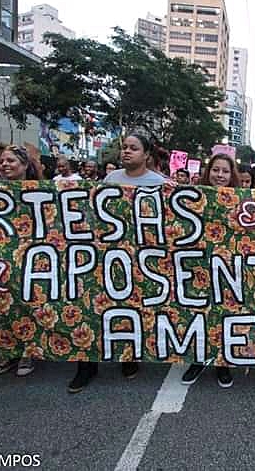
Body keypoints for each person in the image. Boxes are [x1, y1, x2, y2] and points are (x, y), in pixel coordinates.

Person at [68, 134, 167, 394]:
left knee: (131, 307)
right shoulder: (110, 180)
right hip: (107, 257)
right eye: (124, 147)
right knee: (93, 307)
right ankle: (86, 367)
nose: (126, 152)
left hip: (139, 260)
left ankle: (129, 357)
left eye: (133, 148)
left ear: (147, 154)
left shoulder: (160, 184)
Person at [181, 153, 238, 389]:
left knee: (225, 314)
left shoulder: (241, 199)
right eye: (216, 170)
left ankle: (222, 363)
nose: (220, 175)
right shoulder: (192, 197)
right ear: (208, 171)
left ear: (231, 175)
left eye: (225, 171)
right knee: (198, 313)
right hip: (199, 264)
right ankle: (198, 359)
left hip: (229, 267)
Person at [0, 145, 42, 378]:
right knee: (2, 303)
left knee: (27, 301)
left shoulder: (42, 190)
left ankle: (27, 351)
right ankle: (7, 351)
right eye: (2, 161)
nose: (5, 165)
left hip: (31, 256)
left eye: (10, 161)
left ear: (24, 165)